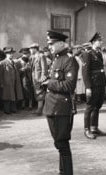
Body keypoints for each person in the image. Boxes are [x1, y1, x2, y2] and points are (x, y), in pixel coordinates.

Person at [42, 30, 78, 175]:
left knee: (62, 144)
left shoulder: (69, 60)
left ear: (62, 44)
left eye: (52, 44)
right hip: (52, 107)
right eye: (48, 44)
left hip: (62, 108)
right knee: (59, 143)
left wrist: (49, 83)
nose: (49, 46)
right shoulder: (56, 59)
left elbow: (69, 85)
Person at [81, 32, 106, 139]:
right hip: (93, 84)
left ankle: (94, 127)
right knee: (90, 107)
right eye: (99, 40)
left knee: (97, 106)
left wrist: (105, 84)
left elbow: (102, 70)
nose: (101, 42)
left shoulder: (99, 53)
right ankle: (86, 130)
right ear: (93, 42)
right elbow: (85, 72)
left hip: (100, 83)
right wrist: (88, 87)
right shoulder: (88, 54)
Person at [0, 47, 18, 114]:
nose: (11, 55)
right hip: (6, 82)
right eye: (9, 54)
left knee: (12, 95)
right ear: (6, 54)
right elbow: (0, 74)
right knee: (6, 96)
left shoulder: (13, 62)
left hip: (12, 82)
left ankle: (13, 108)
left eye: (12, 53)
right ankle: (7, 110)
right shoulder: (2, 63)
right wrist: (1, 83)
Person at [30, 43, 48, 115]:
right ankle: (39, 108)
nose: (30, 50)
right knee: (37, 93)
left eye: (31, 49)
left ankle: (40, 109)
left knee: (40, 93)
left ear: (35, 49)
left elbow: (44, 67)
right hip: (35, 78)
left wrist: (43, 78)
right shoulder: (33, 57)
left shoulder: (41, 56)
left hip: (39, 78)